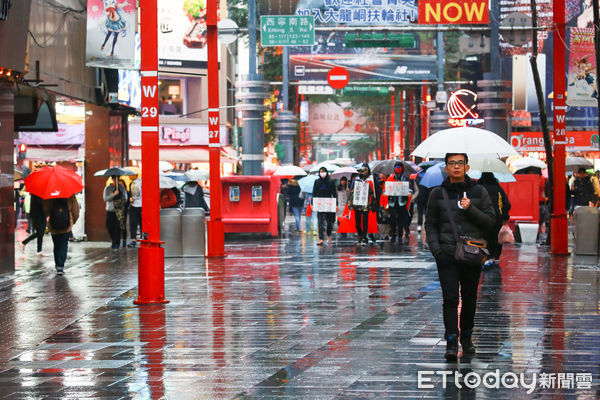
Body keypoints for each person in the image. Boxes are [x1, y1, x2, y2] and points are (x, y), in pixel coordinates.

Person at [425, 153, 495, 361]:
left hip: (471, 254)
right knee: (450, 298)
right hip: (446, 254)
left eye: (460, 163)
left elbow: (490, 222)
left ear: (467, 166)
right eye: (452, 163)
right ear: (446, 167)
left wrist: (470, 208)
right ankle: (451, 340)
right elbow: (430, 224)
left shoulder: (478, 191)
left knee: (470, 298)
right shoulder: (437, 194)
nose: (456, 167)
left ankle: (467, 336)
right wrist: (437, 250)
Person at [478, 172, 511, 267]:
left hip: (482, 218)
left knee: (485, 237)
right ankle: (495, 257)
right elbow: (506, 204)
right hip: (497, 218)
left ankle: (486, 257)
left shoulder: (478, 188)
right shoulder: (498, 189)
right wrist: (505, 216)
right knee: (496, 238)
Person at [43, 194, 80, 275]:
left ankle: (57, 264)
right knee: (63, 245)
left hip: (53, 224)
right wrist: (73, 221)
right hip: (66, 225)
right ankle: (60, 267)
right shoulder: (70, 194)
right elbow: (75, 210)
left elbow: (46, 209)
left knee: (56, 245)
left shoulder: (50, 194)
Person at [385, 161, 415, 243]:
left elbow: (411, 187)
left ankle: (400, 234)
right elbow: (386, 188)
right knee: (392, 218)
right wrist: (385, 192)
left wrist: (409, 192)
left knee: (401, 219)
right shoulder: (391, 178)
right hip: (392, 201)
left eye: (399, 167)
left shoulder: (406, 178)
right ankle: (394, 231)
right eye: (396, 167)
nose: (397, 169)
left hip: (402, 201)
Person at [349, 165, 376, 246]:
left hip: (365, 205)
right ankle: (361, 235)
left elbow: (372, 194)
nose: (362, 174)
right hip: (356, 204)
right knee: (357, 224)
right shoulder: (355, 182)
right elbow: (351, 193)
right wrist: (350, 203)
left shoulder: (369, 182)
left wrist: (373, 204)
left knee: (365, 222)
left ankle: (364, 237)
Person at [312, 167, 337, 245]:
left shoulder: (331, 182)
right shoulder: (317, 182)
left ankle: (329, 236)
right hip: (319, 203)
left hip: (329, 203)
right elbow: (314, 193)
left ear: (326, 172)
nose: (322, 173)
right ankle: (321, 238)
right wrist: (313, 204)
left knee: (329, 221)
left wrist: (336, 204)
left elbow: (334, 193)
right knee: (320, 221)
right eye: (321, 172)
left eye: (324, 171)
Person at [104, 176, 128, 250]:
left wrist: (119, 195)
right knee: (109, 227)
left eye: (117, 179)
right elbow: (105, 198)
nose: (116, 181)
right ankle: (113, 240)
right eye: (114, 179)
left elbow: (125, 198)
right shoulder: (108, 188)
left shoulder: (121, 188)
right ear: (112, 179)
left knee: (117, 227)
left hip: (119, 211)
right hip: (110, 210)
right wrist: (114, 194)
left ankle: (117, 243)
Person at [128, 177, 142, 247]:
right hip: (133, 205)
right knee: (133, 223)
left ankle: (143, 239)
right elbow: (130, 194)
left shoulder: (142, 183)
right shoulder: (131, 183)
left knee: (142, 223)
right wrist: (129, 198)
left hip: (141, 205)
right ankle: (133, 240)